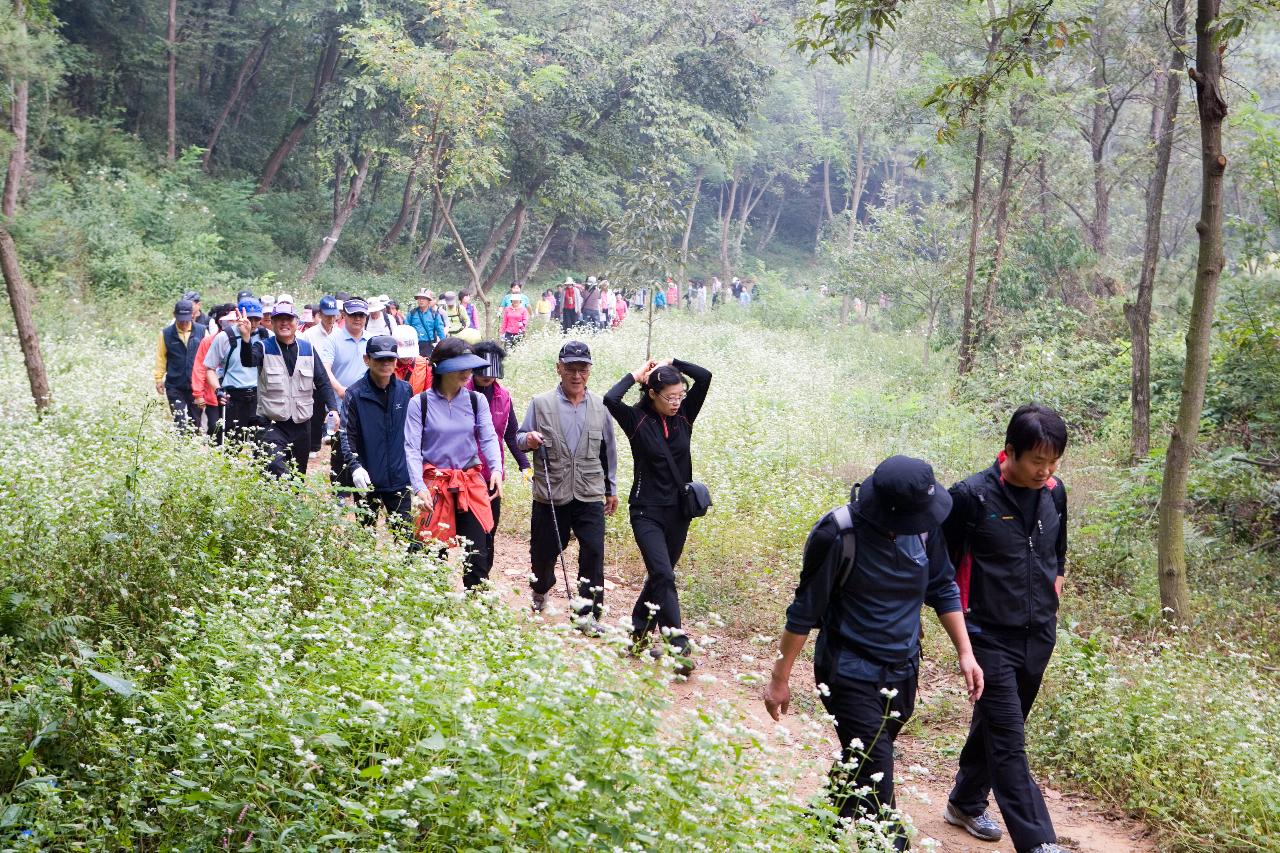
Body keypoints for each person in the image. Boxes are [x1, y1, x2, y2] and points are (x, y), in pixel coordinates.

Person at [764, 456, 984, 850]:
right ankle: (890, 843)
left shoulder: (924, 528)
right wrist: (779, 679)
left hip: (902, 669)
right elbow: (803, 612)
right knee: (877, 776)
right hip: (848, 672)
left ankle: (821, 825)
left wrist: (965, 653)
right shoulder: (838, 534)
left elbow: (943, 587)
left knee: (863, 761)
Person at [941, 405, 1070, 853]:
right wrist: (962, 642)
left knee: (995, 724)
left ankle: (964, 802)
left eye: (1054, 462)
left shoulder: (1055, 493)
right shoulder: (970, 497)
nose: (1046, 471)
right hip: (986, 634)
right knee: (1010, 738)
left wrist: (1052, 597)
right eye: (1038, 461)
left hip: (1038, 635)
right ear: (1009, 452)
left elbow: (1058, 552)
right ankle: (1038, 841)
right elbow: (942, 571)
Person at [603, 357, 711, 668]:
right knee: (664, 574)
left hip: (679, 512)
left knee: (658, 578)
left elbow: (704, 376)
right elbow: (611, 398)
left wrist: (673, 362)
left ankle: (638, 634)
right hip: (646, 511)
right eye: (669, 397)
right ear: (652, 393)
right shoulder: (636, 419)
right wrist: (635, 375)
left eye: (680, 396)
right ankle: (678, 645)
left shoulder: (686, 415)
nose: (676, 402)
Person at [516, 340, 617, 628]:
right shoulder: (541, 403)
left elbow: (608, 450)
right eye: (570, 369)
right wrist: (530, 439)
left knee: (594, 552)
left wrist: (611, 489)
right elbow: (520, 439)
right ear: (559, 368)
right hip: (551, 491)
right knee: (544, 552)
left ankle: (587, 614)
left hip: (589, 491)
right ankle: (541, 586)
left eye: (582, 369)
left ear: (590, 371)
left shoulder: (601, 406)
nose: (576, 376)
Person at [403, 338, 502, 588]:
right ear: (440, 368)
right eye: (460, 367)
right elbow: (412, 449)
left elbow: (488, 436)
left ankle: (477, 609)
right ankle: (434, 612)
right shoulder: (420, 403)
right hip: (435, 487)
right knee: (433, 556)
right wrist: (419, 487)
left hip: (469, 483)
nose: (467, 373)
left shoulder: (475, 400)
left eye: (469, 367)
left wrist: (497, 469)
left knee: (477, 555)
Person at [237, 301, 339, 478]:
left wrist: (333, 409)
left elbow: (322, 381)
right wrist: (245, 338)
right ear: (272, 323)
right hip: (272, 423)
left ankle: (290, 502)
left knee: (297, 477)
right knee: (276, 468)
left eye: (288, 319)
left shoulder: (307, 349)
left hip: (302, 424)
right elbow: (248, 361)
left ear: (296, 323)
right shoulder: (262, 347)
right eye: (279, 319)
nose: (284, 323)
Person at [339, 335, 414, 536]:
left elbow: (414, 432)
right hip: (366, 478)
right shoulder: (354, 394)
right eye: (379, 359)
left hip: (399, 478)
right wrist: (355, 468)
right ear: (367, 359)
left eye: (390, 359)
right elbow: (346, 435)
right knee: (365, 537)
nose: (386, 364)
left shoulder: (405, 391)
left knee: (406, 538)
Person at [467, 341, 531, 578]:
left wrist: (525, 466)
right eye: (482, 373)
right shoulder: (460, 393)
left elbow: (511, 434)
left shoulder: (503, 397)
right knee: (470, 534)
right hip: (464, 475)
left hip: (492, 476)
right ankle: (471, 582)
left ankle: (482, 580)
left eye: (492, 374)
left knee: (489, 531)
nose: (487, 378)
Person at [205, 297, 266, 442]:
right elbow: (209, 368)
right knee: (232, 444)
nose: (254, 323)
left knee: (261, 445)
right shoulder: (225, 337)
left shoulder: (266, 336)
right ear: (238, 316)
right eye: (250, 318)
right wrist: (218, 390)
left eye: (257, 319)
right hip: (233, 396)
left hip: (260, 396)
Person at [328, 298, 371, 488]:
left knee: (365, 446)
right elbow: (325, 369)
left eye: (361, 315)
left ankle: (364, 490)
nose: (358, 319)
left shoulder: (371, 340)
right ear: (344, 315)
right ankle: (340, 493)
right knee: (340, 448)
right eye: (354, 315)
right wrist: (339, 389)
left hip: (366, 403)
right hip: (340, 403)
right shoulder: (333, 339)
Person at [155, 298, 207, 431]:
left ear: (193, 315)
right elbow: (161, 357)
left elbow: (209, 357)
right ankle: (180, 446)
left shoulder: (202, 332)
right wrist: (158, 379)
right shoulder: (166, 334)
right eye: (180, 319)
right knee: (180, 421)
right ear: (174, 315)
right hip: (174, 385)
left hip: (196, 386)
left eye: (186, 319)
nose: (184, 323)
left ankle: (192, 447)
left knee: (195, 423)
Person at [190, 303, 236, 442]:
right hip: (212, 396)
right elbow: (200, 367)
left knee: (232, 432)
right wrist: (198, 394)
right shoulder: (208, 341)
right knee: (214, 428)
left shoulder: (243, 341)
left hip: (236, 395)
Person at [302, 295, 341, 455]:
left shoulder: (339, 334)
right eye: (327, 315)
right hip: (314, 382)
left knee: (335, 411)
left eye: (334, 315)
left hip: (335, 380)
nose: (331, 319)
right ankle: (313, 446)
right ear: (320, 315)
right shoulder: (309, 335)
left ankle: (334, 438)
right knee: (316, 415)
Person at [392, 325, 432, 394]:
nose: (406, 358)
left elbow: (429, 394)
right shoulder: (387, 365)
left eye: (409, 354)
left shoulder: (425, 365)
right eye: (403, 354)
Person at [407, 289, 446, 357]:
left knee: (428, 365)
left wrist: (444, 345)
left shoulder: (434, 315)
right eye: (419, 298)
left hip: (429, 344)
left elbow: (440, 330)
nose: (421, 300)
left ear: (428, 301)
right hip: (414, 344)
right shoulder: (412, 314)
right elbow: (406, 328)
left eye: (424, 298)